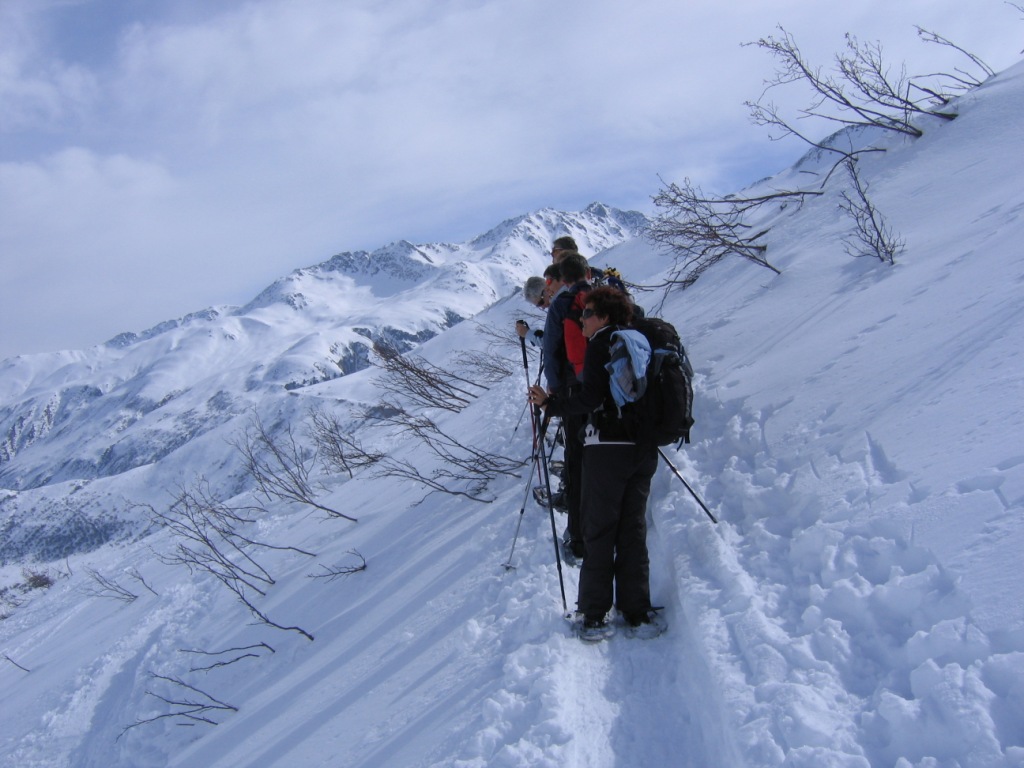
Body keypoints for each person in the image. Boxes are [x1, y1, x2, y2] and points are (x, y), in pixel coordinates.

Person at [528, 287, 661, 642]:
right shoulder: (640, 341)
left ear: (603, 317)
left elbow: (589, 399)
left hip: (606, 448)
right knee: (632, 529)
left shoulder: (602, 344)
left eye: (586, 314)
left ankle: (594, 614)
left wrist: (549, 405)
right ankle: (637, 612)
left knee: (599, 529)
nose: (581, 320)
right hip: (643, 449)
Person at [540, 252, 591, 561]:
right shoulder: (603, 295)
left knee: (576, 458)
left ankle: (577, 536)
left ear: (562, 278)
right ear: (587, 272)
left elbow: (551, 350)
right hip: (607, 391)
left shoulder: (562, 304)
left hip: (574, 392)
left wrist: (555, 394)